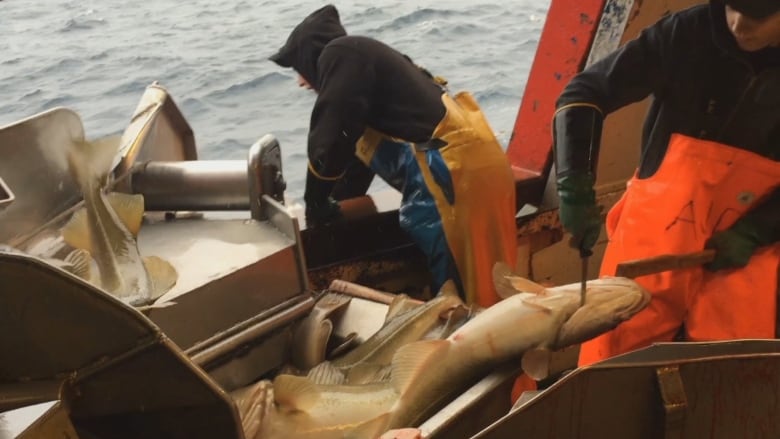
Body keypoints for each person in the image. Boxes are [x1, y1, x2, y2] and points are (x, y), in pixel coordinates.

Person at [552, 0, 780, 366]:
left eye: (758, 16)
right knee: (610, 367)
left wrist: (758, 230)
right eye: (730, 7)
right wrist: (573, 185)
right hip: (653, 240)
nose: (738, 24)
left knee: (732, 376)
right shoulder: (683, 33)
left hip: (747, 248)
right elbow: (583, 95)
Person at [270, 5, 518, 306]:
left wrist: (317, 201)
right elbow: (352, 157)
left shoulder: (341, 52)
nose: (300, 81)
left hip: (452, 177)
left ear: (313, 56)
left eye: (298, 68)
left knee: (465, 304)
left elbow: (331, 140)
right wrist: (332, 210)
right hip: (480, 168)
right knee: (496, 289)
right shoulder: (374, 69)